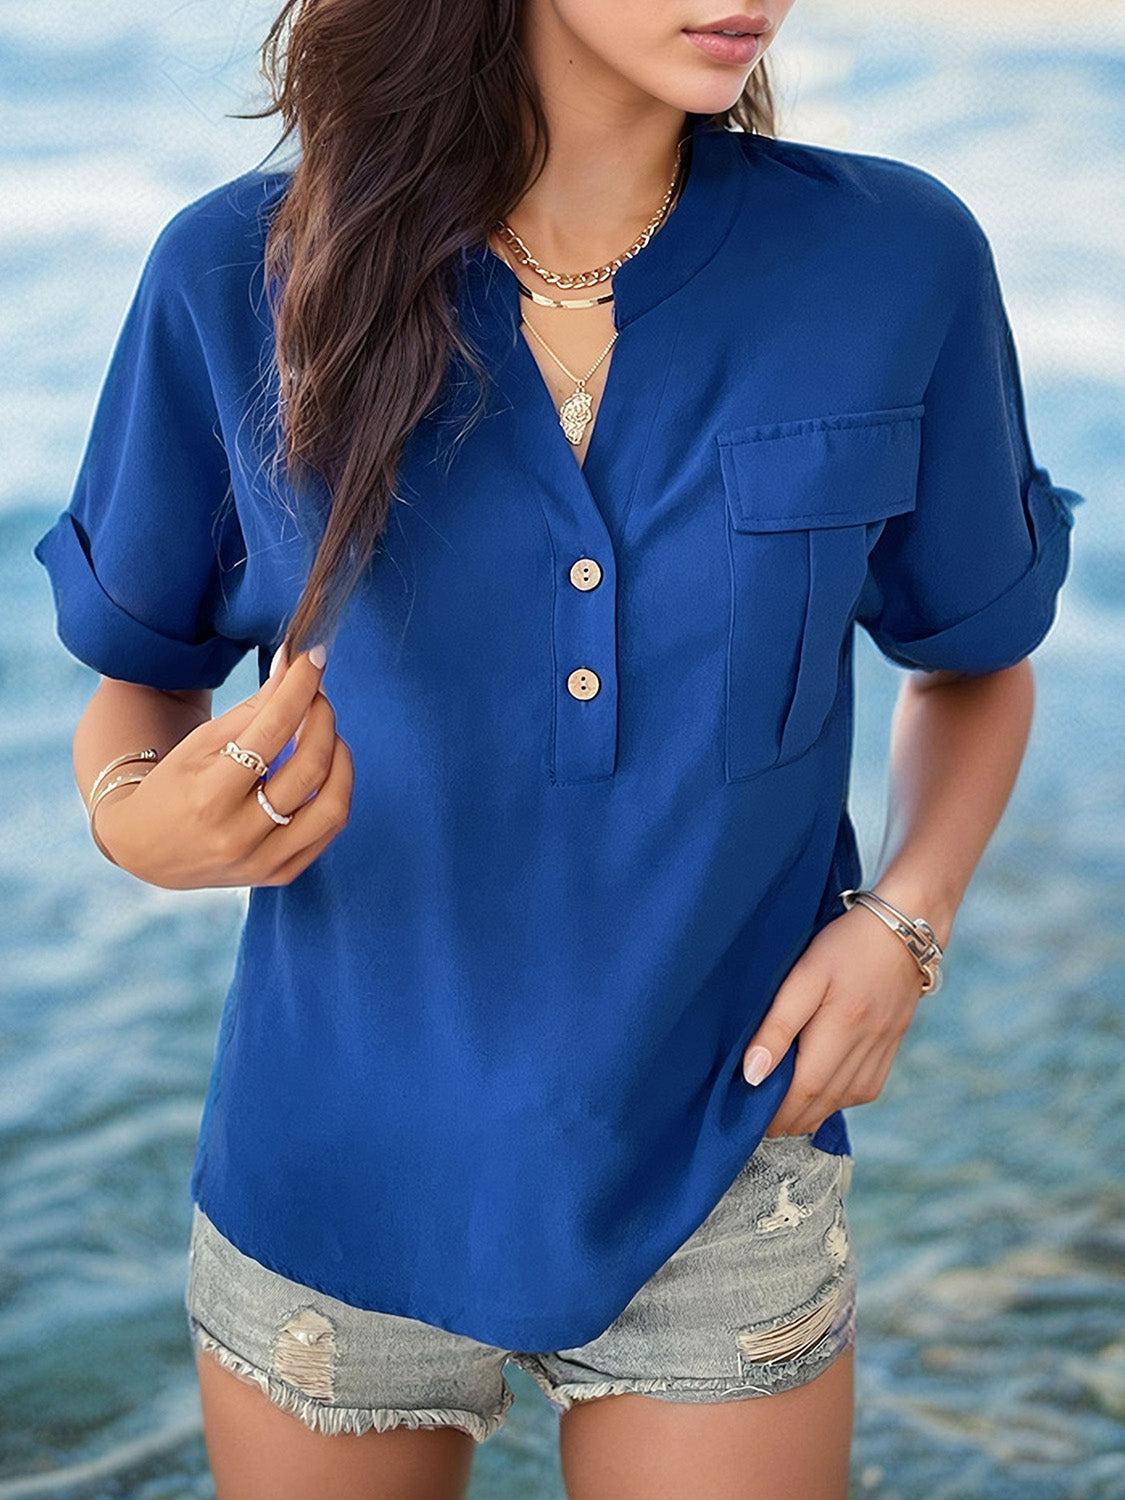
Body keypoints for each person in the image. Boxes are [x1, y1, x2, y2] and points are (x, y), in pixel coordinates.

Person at [32, 1, 1082, 1496]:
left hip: (726, 1162)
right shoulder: (236, 272)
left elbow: (977, 666)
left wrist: (907, 921)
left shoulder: (894, 261)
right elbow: (136, 693)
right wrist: (137, 823)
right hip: (328, 1173)